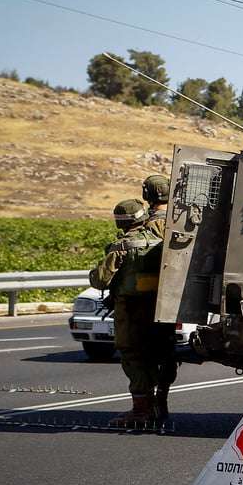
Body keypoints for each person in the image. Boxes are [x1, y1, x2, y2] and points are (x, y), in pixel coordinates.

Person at [89, 198, 172, 428]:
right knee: (162, 353)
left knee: (134, 356)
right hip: (159, 308)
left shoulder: (122, 245)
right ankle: (160, 403)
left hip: (131, 311)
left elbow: (100, 280)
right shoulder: (161, 242)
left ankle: (141, 411)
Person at [140, 173, 178, 421]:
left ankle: (148, 404)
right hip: (171, 296)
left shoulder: (149, 224)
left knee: (143, 352)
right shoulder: (180, 219)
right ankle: (161, 400)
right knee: (167, 351)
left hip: (149, 296)